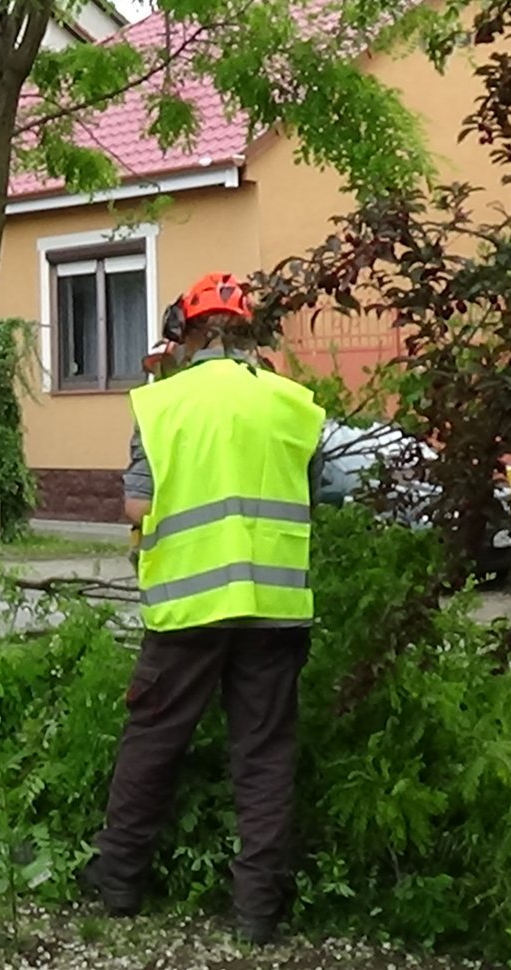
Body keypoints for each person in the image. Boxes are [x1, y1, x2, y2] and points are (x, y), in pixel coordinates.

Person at [86, 273, 327, 945]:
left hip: (188, 604)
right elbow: (309, 498)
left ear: (188, 336)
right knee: (264, 754)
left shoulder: (162, 404)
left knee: (154, 742)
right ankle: (257, 914)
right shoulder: (294, 405)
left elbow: (137, 507)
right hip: (275, 608)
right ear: (248, 335)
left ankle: (118, 885)